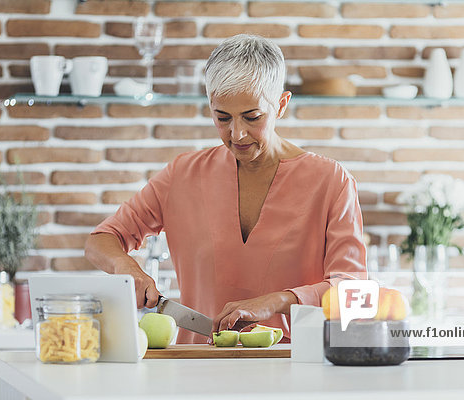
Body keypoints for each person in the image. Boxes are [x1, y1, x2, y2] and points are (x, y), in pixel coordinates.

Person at [85, 34, 366, 344]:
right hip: (196, 372)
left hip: (295, 370)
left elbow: (353, 291)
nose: (237, 133)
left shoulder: (332, 181)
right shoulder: (182, 175)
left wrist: (277, 301)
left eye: (252, 117)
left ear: (281, 105)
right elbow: (101, 240)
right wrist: (128, 268)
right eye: (222, 117)